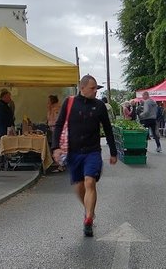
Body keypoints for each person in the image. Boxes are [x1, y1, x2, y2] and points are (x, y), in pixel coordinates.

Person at [51, 75, 118, 238]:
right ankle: (89, 211)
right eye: (92, 88)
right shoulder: (70, 102)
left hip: (92, 151)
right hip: (74, 152)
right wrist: (55, 148)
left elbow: (108, 130)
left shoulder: (100, 106)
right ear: (82, 88)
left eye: (96, 88)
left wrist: (113, 151)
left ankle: (88, 218)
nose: (96, 91)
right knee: (79, 187)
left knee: (90, 182)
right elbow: (59, 125)